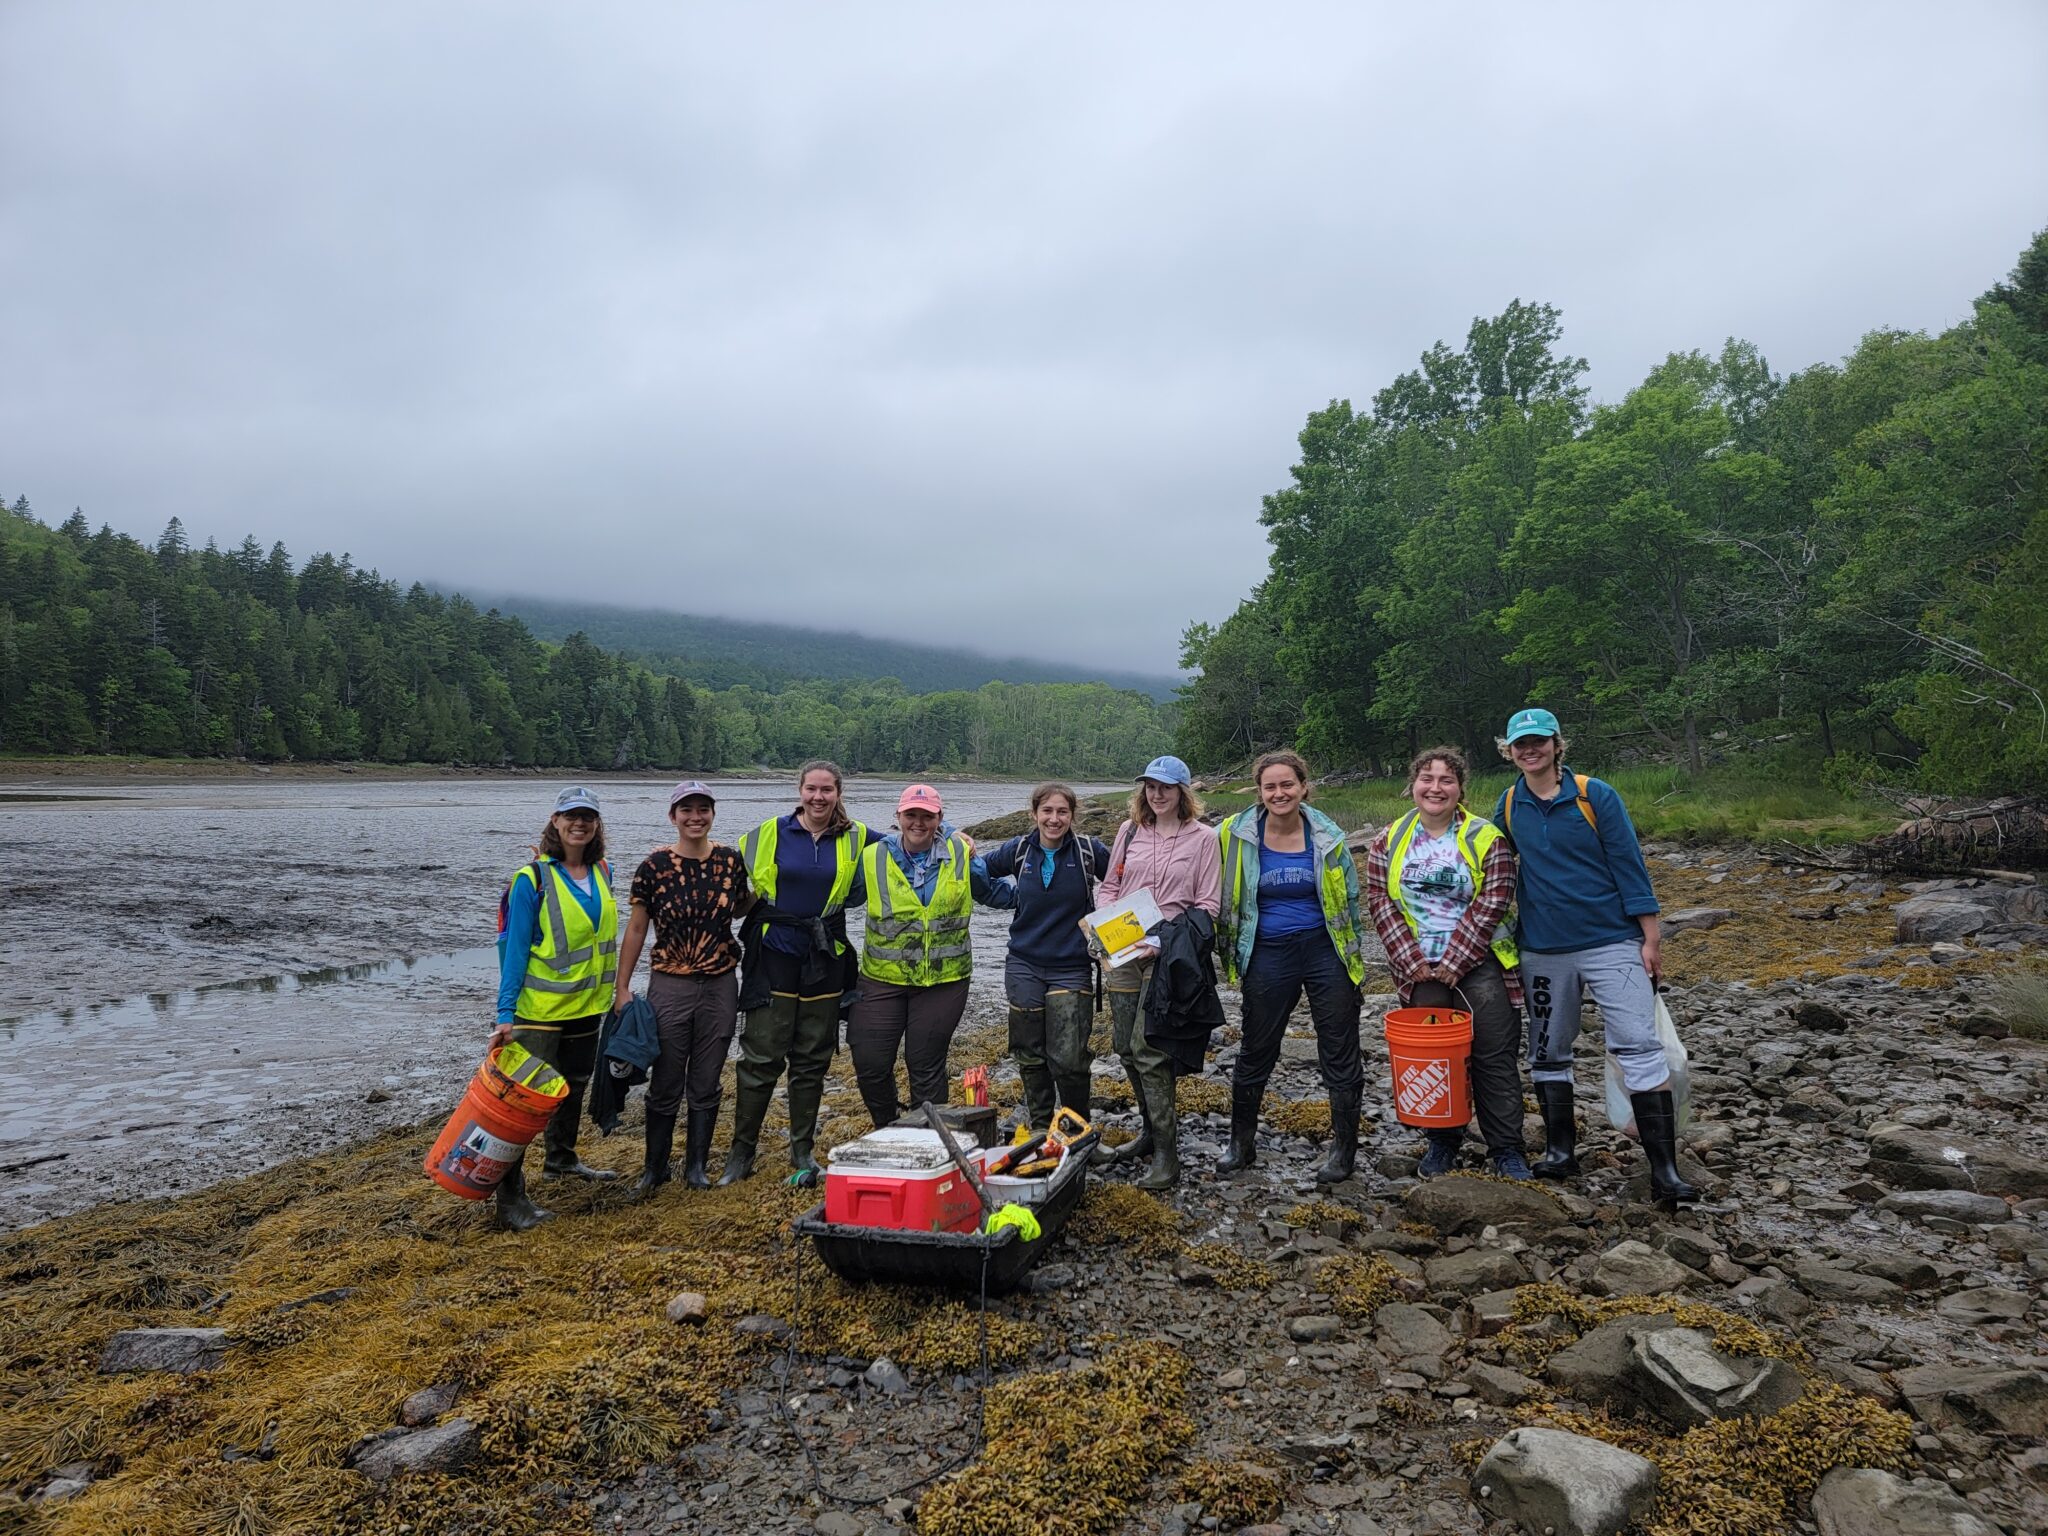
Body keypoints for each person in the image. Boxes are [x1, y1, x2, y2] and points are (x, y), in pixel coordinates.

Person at [1490, 707, 1695, 1204]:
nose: (1530, 750)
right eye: (1520, 744)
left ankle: (1664, 1171)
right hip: (1541, 950)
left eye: (1539, 741)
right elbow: (1489, 863)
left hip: (1611, 941)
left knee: (1639, 1045)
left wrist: (1650, 938)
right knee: (1547, 1050)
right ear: (1509, 751)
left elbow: (1629, 864)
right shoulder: (1510, 804)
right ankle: (1560, 1152)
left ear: (1558, 744)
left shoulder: (1593, 794)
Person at [1364, 746, 1532, 1181]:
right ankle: (1442, 1140)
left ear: (1460, 788)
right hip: (1417, 966)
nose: (1435, 788)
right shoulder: (1390, 839)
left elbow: (1494, 901)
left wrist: (1455, 961)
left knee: (1494, 1056)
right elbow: (1381, 901)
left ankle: (1507, 1149)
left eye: (1446, 780)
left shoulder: (1486, 838)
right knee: (1431, 1061)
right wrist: (1410, 960)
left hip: (1482, 963)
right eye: (1427, 779)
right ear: (1413, 784)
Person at [1215, 750, 1369, 1184]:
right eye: (1270, 786)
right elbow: (1189, 855)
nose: (1279, 793)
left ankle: (1343, 1151)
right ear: (1259, 792)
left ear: (1303, 786)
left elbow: (1351, 901)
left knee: (1340, 1051)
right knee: (1256, 1049)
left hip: (1325, 950)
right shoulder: (1234, 834)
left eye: (1287, 784)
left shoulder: (1327, 835)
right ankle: (1240, 1144)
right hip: (1267, 951)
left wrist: (1353, 963)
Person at [722, 761, 878, 1183]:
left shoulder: (859, 836)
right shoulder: (767, 834)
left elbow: (911, 838)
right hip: (773, 952)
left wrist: (956, 834)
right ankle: (741, 1155)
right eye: (812, 789)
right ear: (800, 790)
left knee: (812, 1058)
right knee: (760, 1056)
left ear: (839, 793)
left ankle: (802, 1152)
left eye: (827, 790)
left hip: (826, 955)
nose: (819, 797)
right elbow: (730, 884)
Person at [490, 786, 622, 1230]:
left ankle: (561, 1160)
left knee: (573, 1087)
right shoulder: (531, 880)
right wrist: (504, 1016)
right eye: (571, 817)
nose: (579, 823)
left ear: (597, 823)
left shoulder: (602, 870)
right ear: (555, 821)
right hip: (539, 1013)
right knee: (523, 1105)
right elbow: (513, 948)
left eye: (587, 816)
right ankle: (510, 1200)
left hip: (587, 1010)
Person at [612, 781, 753, 1194]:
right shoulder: (653, 866)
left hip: (720, 982)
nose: (696, 816)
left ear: (713, 813)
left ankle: (696, 1167)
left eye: (703, 809)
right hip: (670, 983)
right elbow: (637, 928)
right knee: (667, 1077)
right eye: (687, 809)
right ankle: (654, 1169)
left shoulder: (730, 860)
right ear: (673, 816)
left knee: (707, 1078)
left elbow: (744, 903)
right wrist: (622, 989)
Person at [1090, 754, 1222, 1191]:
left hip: (1169, 954)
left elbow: (1208, 906)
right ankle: (1148, 1133)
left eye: (1165, 787)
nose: (1157, 794)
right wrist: (1102, 924)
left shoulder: (1204, 839)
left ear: (1183, 792)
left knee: (1147, 1049)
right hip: (1123, 950)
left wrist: (1160, 942)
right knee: (1123, 1048)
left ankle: (1168, 1155)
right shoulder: (1129, 832)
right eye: (1150, 786)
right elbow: (1111, 886)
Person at [847, 784, 1012, 1128]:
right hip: (881, 980)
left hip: (944, 980)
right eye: (911, 815)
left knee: (925, 1063)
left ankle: (928, 1135)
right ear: (898, 817)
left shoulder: (961, 854)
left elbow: (991, 893)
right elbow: (838, 898)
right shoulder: (872, 856)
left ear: (940, 818)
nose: (918, 822)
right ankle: (887, 1126)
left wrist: (1048, 899)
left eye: (927, 815)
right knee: (871, 1062)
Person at [978, 782, 1113, 1132]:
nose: (1054, 819)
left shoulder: (1088, 851)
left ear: (1072, 815)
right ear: (1035, 814)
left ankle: (1075, 1129)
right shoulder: (1017, 849)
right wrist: (1007, 897)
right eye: (1047, 811)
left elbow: (1120, 885)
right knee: (1029, 1052)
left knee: (1070, 1059)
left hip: (1072, 966)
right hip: (1024, 963)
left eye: (1062, 812)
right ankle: (1040, 1130)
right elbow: (976, 872)